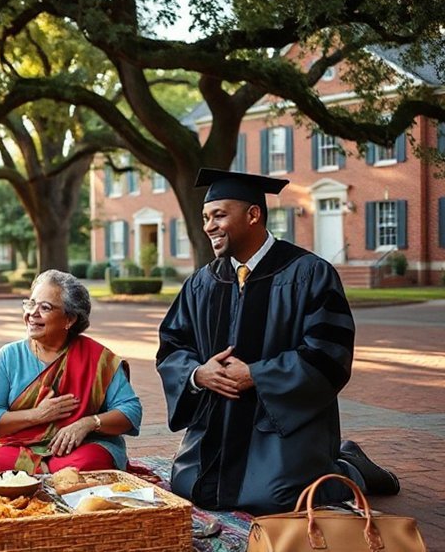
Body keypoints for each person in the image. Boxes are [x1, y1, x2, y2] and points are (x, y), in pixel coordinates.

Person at [156, 168, 400, 515]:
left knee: (277, 497)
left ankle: (352, 469)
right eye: (206, 217)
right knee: (191, 486)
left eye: (219, 215)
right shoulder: (202, 283)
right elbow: (173, 344)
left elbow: (329, 353)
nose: (208, 226)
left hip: (280, 423)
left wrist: (257, 374)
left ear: (253, 214)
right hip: (218, 422)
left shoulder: (308, 273)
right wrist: (198, 374)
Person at [0, 270, 143, 474]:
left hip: (78, 448)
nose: (32, 314)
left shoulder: (98, 358)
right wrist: (35, 416)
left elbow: (131, 411)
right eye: (30, 304)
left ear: (69, 320)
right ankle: (52, 474)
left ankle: (40, 475)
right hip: (20, 446)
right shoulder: (10, 355)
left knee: (92, 460)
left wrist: (89, 423)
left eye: (44, 307)